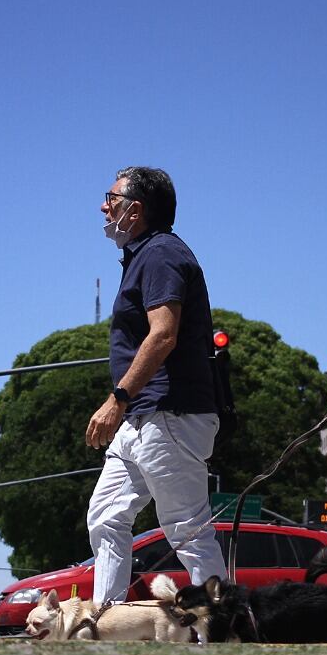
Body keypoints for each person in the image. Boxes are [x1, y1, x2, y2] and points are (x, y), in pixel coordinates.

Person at [85, 167, 227, 603]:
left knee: (187, 528)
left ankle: (227, 624)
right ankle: (104, 620)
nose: (103, 207)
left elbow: (163, 334)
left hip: (169, 411)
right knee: (106, 516)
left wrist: (117, 398)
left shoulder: (162, 254)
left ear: (137, 209)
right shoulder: (144, 255)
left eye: (111, 198)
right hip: (143, 416)